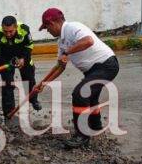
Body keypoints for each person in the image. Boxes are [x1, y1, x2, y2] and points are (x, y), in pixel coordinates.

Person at [39, 8, 119, 149]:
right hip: (93, 70)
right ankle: (95, 127)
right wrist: (43, 83)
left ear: (52, 23)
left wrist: (67, 52)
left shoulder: (72, 27)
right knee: (90, 97)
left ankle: (81, 136)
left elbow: (88, 41)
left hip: (106, 65)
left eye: (46, 27)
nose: (47, 31)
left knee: (80, 94)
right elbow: (60, 66)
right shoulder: (61, 42)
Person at [0, 16, 41, 118]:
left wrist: (24, 58)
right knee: (7, 84)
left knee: (29, 78)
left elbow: (29, 46)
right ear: (2, 28)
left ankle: (33, 100)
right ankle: (9, 112)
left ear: (16, 27)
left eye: (11, 31)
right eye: (5, 31)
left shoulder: (24, 29)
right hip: (5, 57)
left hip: (22, 54)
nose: (8, 34)